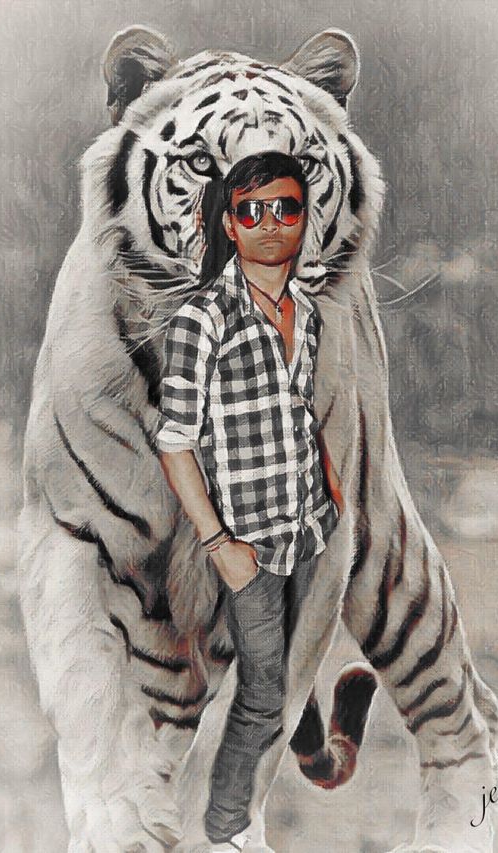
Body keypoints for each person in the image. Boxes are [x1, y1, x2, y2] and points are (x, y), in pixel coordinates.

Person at [156, 151, 343, 851]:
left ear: (304, 219)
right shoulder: (201, 320)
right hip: (248, 545)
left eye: (285, 208)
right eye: (251, 211)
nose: (270, 223)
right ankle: (227, 830)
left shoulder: (308, 312)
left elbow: (297, 407)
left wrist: (327, 483)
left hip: (309, 529)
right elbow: (175, 443)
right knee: (262, 696)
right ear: (230, 226)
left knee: (291, 675)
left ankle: (313, 752)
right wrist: (219, 546)